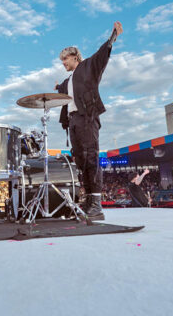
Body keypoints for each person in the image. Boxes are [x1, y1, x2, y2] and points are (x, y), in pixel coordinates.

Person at [55, 21, 123, 220]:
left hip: (87, 119)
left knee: (91, 157)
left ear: (75, 56)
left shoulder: (88, 67)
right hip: (74, 122)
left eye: (65, 60)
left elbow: (101, 56)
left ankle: (96, 203)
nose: (63, 64)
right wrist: (58, 87)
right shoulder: (69, 80)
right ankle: (87, 201)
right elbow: (65, 92)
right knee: (81, 162)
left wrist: (112, 38)